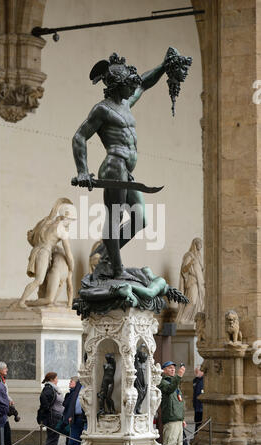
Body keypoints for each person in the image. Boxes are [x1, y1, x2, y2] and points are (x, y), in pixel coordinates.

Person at [72, 51, 191, 279]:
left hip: (127, 170)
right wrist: (82, 171)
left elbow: (145, 83)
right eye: (128, 85)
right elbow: (79, 136)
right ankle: (116, 270)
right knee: (115, 216)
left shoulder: (126, 103)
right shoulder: (103, 110)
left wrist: (164, 66)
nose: (133, 89)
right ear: (117, 86)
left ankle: (107, 257)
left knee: (140, 218)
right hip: (114, 165)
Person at [16, 198, 76, 308]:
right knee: (39, 280)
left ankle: (24, 302)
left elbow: (31, 238)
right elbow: (68, 253)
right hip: (44, 252)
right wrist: (72, 266)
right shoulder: (62, 229)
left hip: (36, 251)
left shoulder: (45, 221)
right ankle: (22, 302)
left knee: (40, 281)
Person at [158, 361, 186, 445]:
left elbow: (179, 401)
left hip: (178, 419)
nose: (173, 369)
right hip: (171, 419)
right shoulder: (162, 382)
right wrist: (179, 376)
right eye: (170, 368)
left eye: (173, 368)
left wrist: (182, 418)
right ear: (164, 370)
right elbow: (169, 389)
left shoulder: (174, 382)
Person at [176, 238, 205, 324]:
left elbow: (201, 271)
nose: (201, 246)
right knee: (192, 301)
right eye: (199, 244)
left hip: (199, 283)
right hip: (192, 282)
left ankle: (192, 319)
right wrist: (190, 263)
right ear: (195, 244)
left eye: (201, 244)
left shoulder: (199, 257)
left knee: (198, 303)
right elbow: (183, 270)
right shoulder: (189, 255)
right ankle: (183, 318)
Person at [0, 361, 20, 445]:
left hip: (4, 410)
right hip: (1, 411)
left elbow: (5, 393)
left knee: (7, 434)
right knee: (5, 435)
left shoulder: (2, 379)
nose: (7, 370)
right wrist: (7, 401)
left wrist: (10, 399)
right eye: (5, 368)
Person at [37, 372, 64, 445]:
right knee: (52, 439)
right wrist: (48, 409)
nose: (57, 380)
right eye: (56, 378)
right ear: (52, 379)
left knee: (54, 440)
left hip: (56, 416)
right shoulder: (49, 388)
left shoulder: (54, 388)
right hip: (53, 418)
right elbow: (43, 400)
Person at [62, 376, 85, 445]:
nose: (69, 383)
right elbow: (70, 405)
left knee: (85, 441)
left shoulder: (83, 388)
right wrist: (70, 416)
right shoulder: (74, 391)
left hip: (84, 418)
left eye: (71, 382)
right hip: (75, 418)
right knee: (73, 441)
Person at [193, 366, 204, 432]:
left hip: (202, 406)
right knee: (196, 422)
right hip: (197, 406)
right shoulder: (195, 380)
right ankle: (196, 435)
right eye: (195, 371)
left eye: (198, 371)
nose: (196, 373)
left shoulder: (205, 380)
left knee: (201, 422)